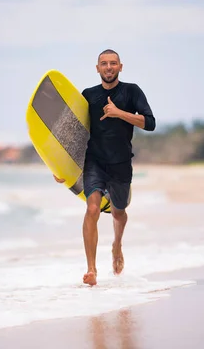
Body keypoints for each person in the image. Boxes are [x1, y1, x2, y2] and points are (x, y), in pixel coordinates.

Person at [53, 49, 156, 286]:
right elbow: (74, 136)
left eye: (113, 63)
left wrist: (119, 113)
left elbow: (150, 123)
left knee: (119, 212)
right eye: (104, 64)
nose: (108, 67)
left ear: (120, 67)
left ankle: (117, 245)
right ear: (97, 68)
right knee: (92, 209)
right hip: (94, 163)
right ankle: (91, 270)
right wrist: (60, 166)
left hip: (120, 164)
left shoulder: (132, 91)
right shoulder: (88, 95)